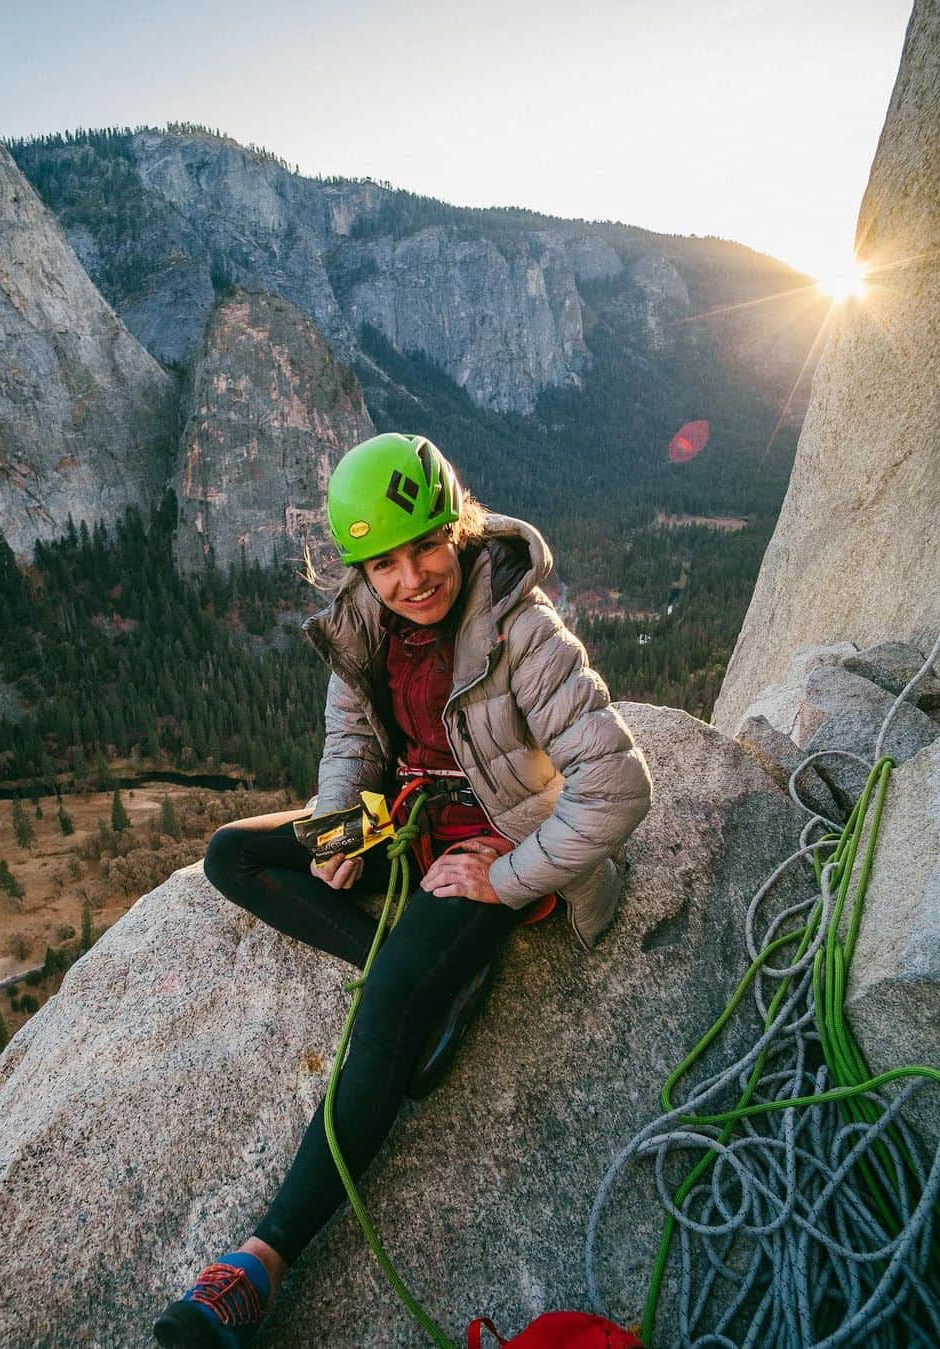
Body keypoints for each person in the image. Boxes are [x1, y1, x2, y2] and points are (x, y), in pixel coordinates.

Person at [154, 433, 652, 1349]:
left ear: (457, 528)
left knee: (383, 1011)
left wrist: (505, 879)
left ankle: (255, 1269)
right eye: (383, 562)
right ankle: (427, 981)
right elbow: (351, 744)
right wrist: (341, 831)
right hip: (408, 825)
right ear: (360, 566)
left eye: (425, 546)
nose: (411, 577)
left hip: (492, 844)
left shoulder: (522, 630)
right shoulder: (363, 622)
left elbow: (619, 788)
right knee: (234, 854)